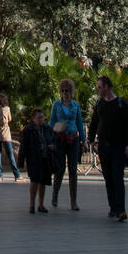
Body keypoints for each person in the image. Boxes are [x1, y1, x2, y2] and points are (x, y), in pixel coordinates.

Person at [88, 74, 128, 222]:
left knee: (117, 176)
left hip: (118, 146)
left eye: (100, 87)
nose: (98, 89)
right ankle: (113, 207)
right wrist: (90, 140)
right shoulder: (99, 104)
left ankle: (121, 209)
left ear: (107, 87)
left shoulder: (121, 104)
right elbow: (94, 123)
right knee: (108, 177)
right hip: (104, 146)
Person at [49, 78, 86, 210]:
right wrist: (50, 140)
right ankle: (55, 195)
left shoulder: (75, 106)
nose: (65, 93)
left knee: (72, 170)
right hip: (60, 139)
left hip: (73, 138)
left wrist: (84, 140)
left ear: (71, 91)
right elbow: (52, 122)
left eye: (68, 90)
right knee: (59, 169)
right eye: (63, 90)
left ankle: (73, 201)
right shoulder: (56, 105)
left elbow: (80, 124)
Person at [18, 109, 54, 213]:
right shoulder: (28, 130)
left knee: (43, 181)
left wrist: (53, 146)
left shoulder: (47, 128)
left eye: (42, 117)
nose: (41, 119)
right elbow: (23, 146)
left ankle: (41, 204)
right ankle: (32, 204)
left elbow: (53, 140)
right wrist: (21, 161)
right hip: (33, 158)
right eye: (39, 117)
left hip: (45, 157)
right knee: (34, 181)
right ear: (34, 119)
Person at [0, 92, 21, 182]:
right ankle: (17, 175)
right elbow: (9, 119)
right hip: (5, 133)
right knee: (10, 155)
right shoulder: (6, 109)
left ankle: (0, 175)